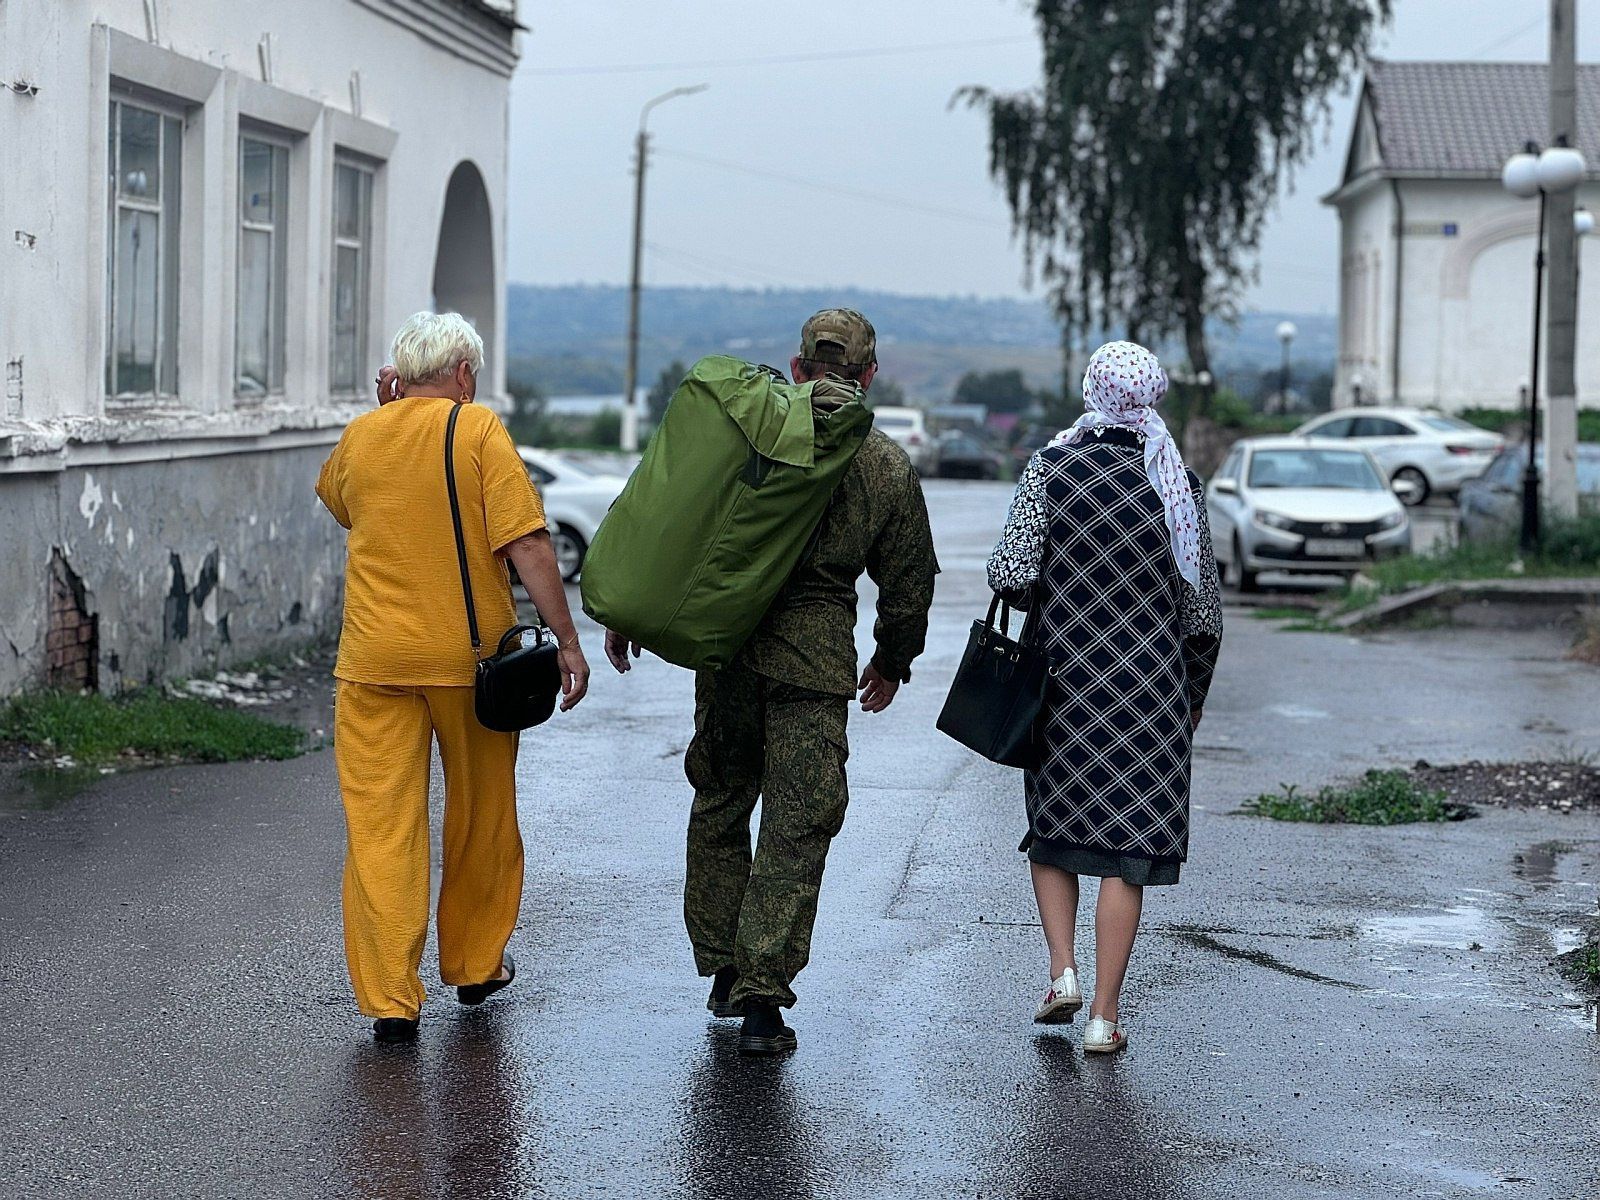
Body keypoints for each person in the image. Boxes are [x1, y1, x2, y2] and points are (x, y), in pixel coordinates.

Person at [606, 309, 938, 1056]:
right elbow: (909, 583)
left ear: (796, 369)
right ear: (869, 375)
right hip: (813, 668)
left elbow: (672, 519)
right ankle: (762, 995)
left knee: (722, 797)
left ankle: (723, 968)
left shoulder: (746, 437)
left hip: (725, 647)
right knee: (799, 821)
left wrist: (633, 608)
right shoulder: (881, 463)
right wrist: (892, 659)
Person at [316, 311, 591, 1044]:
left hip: (373, 664)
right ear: (464, 373)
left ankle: (389, 1000)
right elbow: (528, 539)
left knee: (381, 828)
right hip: (469, 665)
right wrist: (565, 639)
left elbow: (345, 505)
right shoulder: (478, 431)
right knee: (480, 815)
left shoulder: (362, 436)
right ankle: (473, 964)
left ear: (402, 375)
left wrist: (386, 418)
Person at [987, 340, 1222, 1054]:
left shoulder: (1051, 468)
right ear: (1151, 397)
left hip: (1062, 688)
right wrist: (1193, 699)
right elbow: (1202, 616)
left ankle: (1062, 973)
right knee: (1128, 852)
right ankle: (1104, 1018)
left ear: (1093, 391)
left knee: (1055, 831)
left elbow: (1010, 575)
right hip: (1149, 696)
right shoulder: (1176, 482)